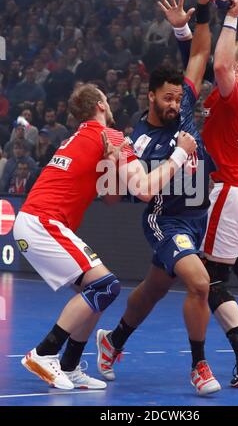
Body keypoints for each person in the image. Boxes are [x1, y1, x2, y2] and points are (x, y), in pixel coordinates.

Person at [13, 83, 196, 391]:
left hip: (35, 222)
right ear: (100, 105)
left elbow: (111, 197)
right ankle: (44, 352)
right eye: (106, 99)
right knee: (105, 285)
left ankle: (70, 367)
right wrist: (180, 154)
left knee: (96, 293)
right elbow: (144, 189)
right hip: (44, 222)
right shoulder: (109, 136)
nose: (109, 103)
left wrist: (111, 164)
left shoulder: (84, 138)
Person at [97, 0, 221, 396]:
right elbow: (142, 191)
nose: (174, 105)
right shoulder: (140, 142)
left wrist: (200, 12)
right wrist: (181, 157)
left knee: (153, 289)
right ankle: (200, 366)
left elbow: (201, 54)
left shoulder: (183, 104)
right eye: (167, 99)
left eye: (176, 98)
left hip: (198, 214)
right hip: (165, 217)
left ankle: (112, 342)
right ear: (151, 97)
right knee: (199, 283)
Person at [172, 0, 238, 386]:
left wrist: (231, 15)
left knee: (209, 278)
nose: (219, 64)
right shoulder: (236, 96)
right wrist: (184, 30)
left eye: (228, 60)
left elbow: (223, 68)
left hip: (230, 190)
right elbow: (195, 68)